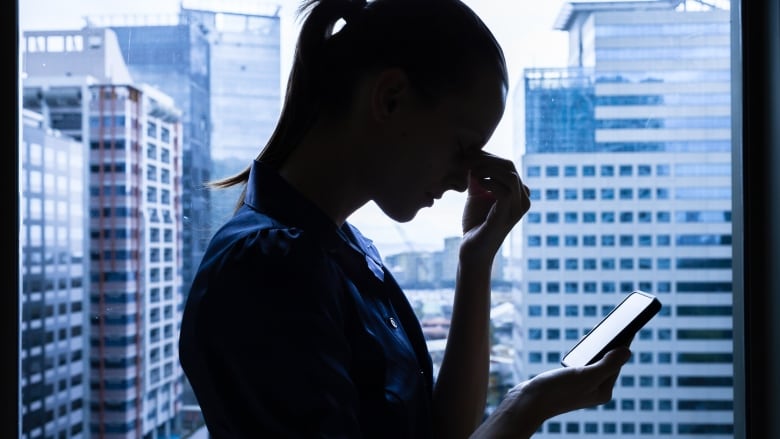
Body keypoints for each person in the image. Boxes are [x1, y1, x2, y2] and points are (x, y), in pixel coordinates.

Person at [178, 0, 632, 437]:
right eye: (461, 149)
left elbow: (445, 434)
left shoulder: (341, 253)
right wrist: (526, 408)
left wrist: (476, 262)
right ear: (390, 98)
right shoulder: (268, 268)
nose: (462, 181)